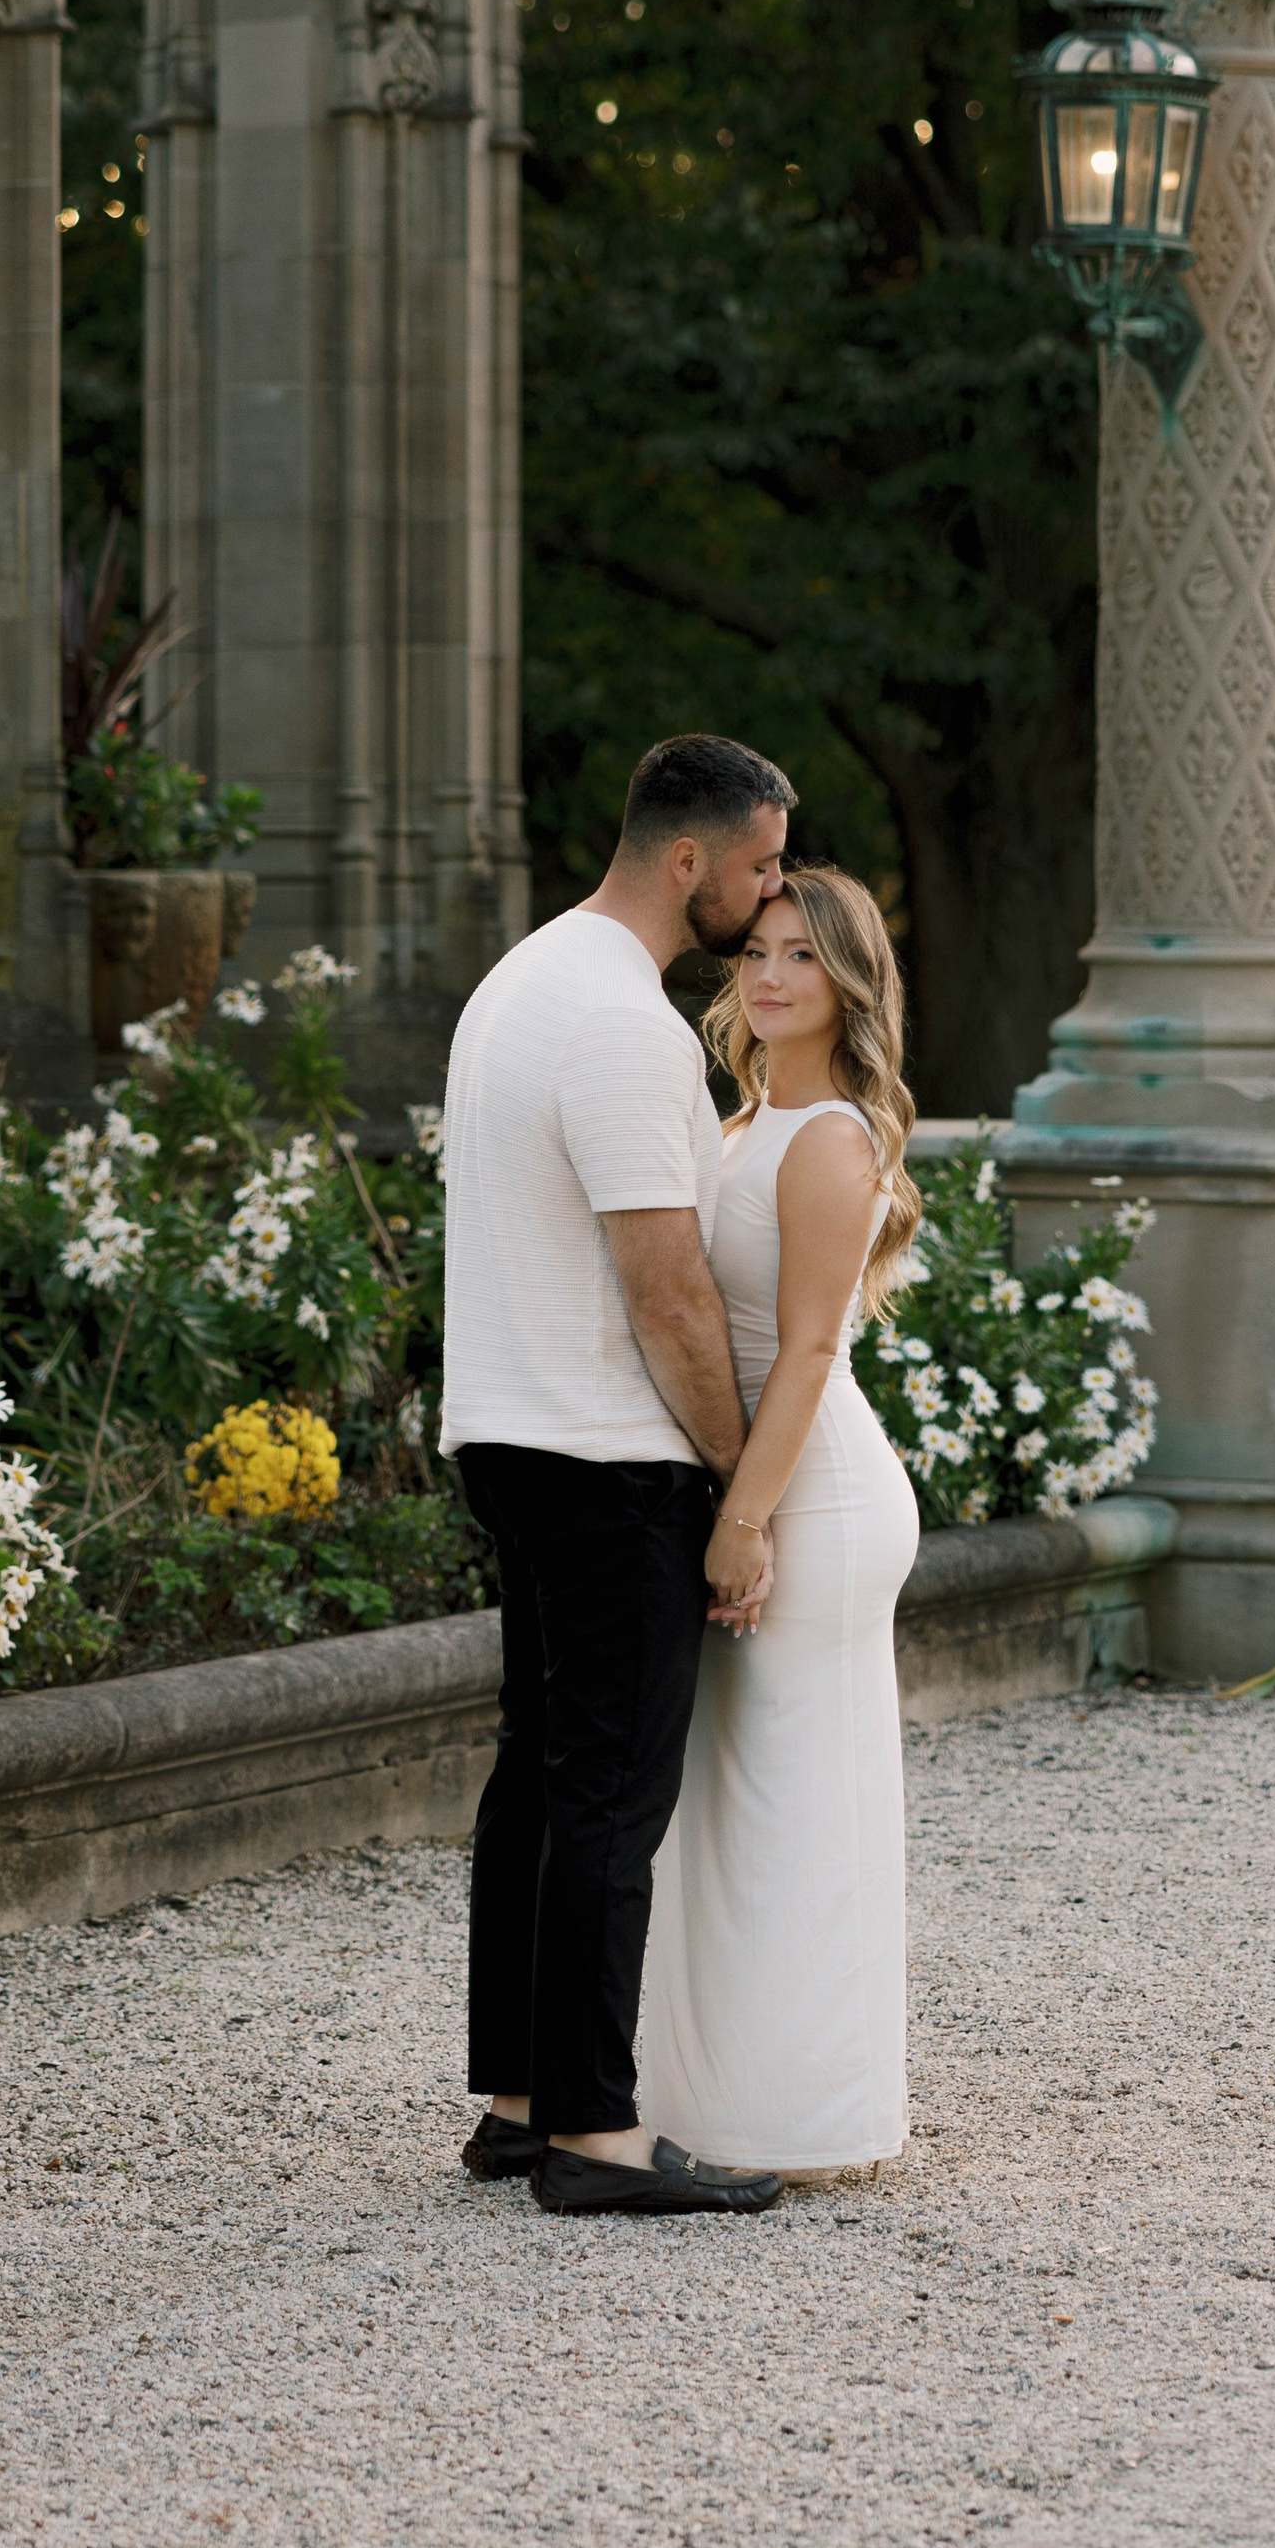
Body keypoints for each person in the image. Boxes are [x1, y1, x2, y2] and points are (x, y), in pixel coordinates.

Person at [441, 733, 796, 2218]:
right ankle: (592, 2135)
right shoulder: (627, 1027)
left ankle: (519, 2104)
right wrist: (739, 1485)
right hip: (606, 1456)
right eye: (766, 864)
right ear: (691, 858)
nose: (777, 891)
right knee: (610, 1797)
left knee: (539, 1770)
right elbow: (665, 1289)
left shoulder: (522, 979)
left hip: (510, 1433)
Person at [640, 867, 923, 2177]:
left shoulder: (832, 1138)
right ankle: (714, 2100)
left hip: (813, 1490)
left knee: (798, 1802)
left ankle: (815, 2119)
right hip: (754, 1480)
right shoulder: (748, 1121)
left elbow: (810, 1348)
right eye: (755, 949)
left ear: (847, 983)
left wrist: (745, 1523)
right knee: (733, 1802)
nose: (768, 975)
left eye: (802, 956)